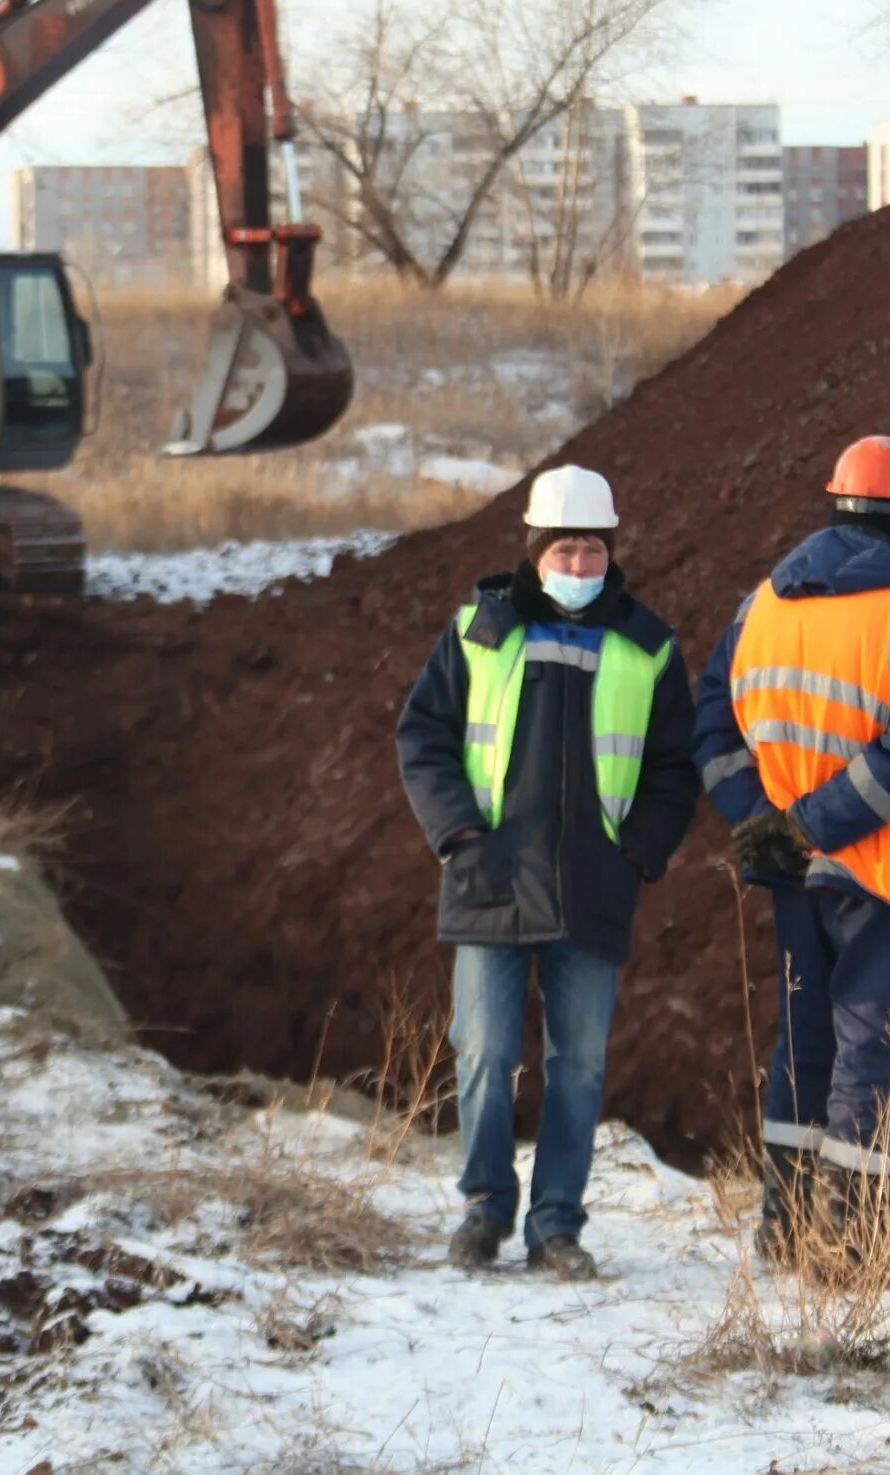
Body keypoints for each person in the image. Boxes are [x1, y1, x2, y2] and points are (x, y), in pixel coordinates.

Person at [395, 466, 700, 1280]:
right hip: (489, 873)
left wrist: (640, 849)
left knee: (581, 1064)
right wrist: (457, 829)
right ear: (534, 551)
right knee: (487, 1050)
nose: (577, 565)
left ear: (611, 551)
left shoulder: (647, 647)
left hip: (594, 886)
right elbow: (421, 735)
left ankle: (556, 1225)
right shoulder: (478, 632)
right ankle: (485, 1209)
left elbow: (676, 765)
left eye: (591, 550)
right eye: (563, 549)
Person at [691, 435, 890, 1262]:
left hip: (791, 868)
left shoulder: (762, 605)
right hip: (884, 867)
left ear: (835, 501)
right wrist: (814, 823)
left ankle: (786, 1227)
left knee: (805, 1039)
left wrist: (763, 819)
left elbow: (714, 721)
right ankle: (854, 1241)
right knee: (876, 1049)